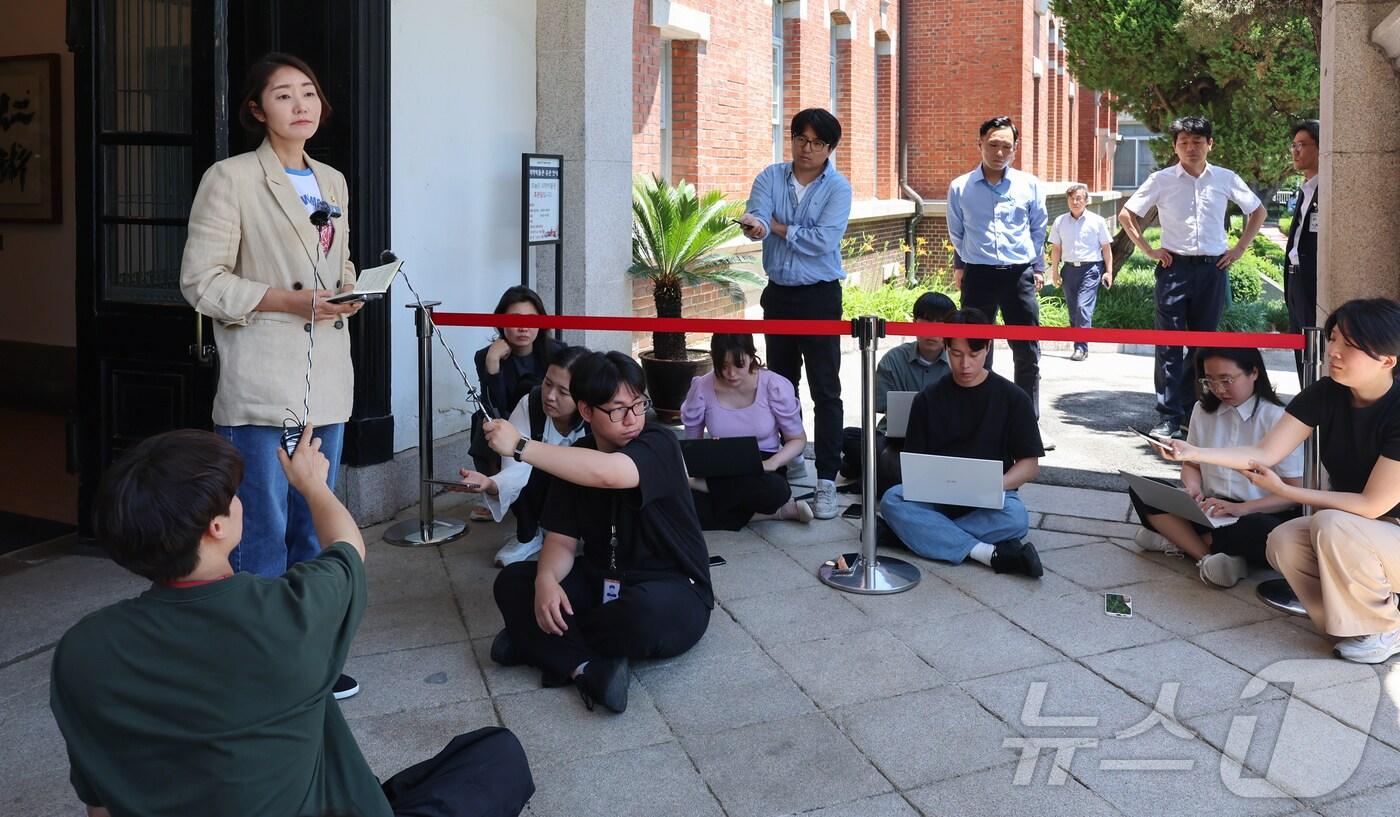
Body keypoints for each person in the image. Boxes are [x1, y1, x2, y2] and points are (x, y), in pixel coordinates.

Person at [49, 429, 535, 817]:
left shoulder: (82, 651)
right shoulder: (289, 612)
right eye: (234, 497)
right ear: (217, 528)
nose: (241, 502)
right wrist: (312, 485)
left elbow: (101, 801)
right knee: (497, 755)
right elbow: (348, 548)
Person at [179, 52, 361, 697]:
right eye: (283, 95)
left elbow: (329, 269)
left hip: (326, 381)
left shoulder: (332, 181)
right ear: (257, 109)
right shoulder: (230, 179)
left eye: (308, 92)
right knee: (261, 529)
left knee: (314, 522)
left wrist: (345, 291)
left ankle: (309, 657)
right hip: (263, 383)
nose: (300, 105)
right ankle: (258, 668)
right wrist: (293, 301)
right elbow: (201, 282)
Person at [1160, 299, 1400, 663]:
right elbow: (1263, 453)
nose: (1332, 351)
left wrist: (1286, 491)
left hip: (1383, 527)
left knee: (1331, 523)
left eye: (1349, 346)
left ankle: (1384, 628)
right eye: (1333, 338)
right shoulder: (1326, 393)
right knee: (1284, 539)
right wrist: (1191, 453)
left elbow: (1373, 505)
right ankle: (1352, 624)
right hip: (1364, 533)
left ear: (1387, 360)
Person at [489, 352, 712, 713]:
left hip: (672, 588)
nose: (632, 419)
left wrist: (520, 447)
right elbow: (561, 540)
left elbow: (611, 473)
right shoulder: (577, 458)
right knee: (514, 583)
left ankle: (538, 642)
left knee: (642, 614)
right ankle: (587, 669)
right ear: (587, 410)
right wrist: (546, 580)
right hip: (601, 581)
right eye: (617, 409)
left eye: (638, 404)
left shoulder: (659, 443)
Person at [1119, 115, 1266, 440]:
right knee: (1169, 346)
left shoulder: (1225, 178)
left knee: (1203, 347)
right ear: (1175, 146)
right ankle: (1168, 417)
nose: (1191, 148)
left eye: (1197, 142)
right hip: (1175, 269)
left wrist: (1240, 247)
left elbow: (1257, 211)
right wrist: (1148, 249)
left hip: (1213, 269)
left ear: (1209, 144)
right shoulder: (1161, 180)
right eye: (1183, 142)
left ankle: (1193, 412)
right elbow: (1127, 214)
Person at [737, 108, 853, 520]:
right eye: (801, 139)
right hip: (779, 294)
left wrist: (780, 227)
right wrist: (757, 226)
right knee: (781, 386)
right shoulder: (771, 176)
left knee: (826, 388)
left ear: (829, 148)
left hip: (821, 296)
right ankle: (790, 459)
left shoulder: (838, 188)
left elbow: (824, 242)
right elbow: (759, 217)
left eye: (817, 143)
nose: (807, 149)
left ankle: (826, 479)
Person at [878, 309, 1046, 577]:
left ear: (987, 348)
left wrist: (995, 484)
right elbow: (915, 465)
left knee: (1016, 517)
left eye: (974, 354)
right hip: (936, 497)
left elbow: (1029, 464)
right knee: (892, 500)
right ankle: (987, 553)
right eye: (956, 354)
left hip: (990, 496)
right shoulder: (928, 398)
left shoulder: (1012, 398)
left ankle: (912, 535)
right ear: (946, 348)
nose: (965, 364)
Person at [1131, 347, 1304, 587]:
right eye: (1210, 380)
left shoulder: (1277, 418)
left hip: (1257, 513)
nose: (1219, 389)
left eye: (1227, 379)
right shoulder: (1202, 410)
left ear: (1254, 373)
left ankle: (1179, 541)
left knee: (1259, 531)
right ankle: (1210, 557)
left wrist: (1242, 508)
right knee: (1144, 491)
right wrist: (1192, 490)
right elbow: (1192, 464)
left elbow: (1294, 494)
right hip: (1213, 509)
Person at [946, 116, 1052, 447]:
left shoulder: (1029, 185)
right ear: (980, 144)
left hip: (1018, 274)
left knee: (1027, 351)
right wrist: (972, 258)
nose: (999, 151)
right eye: (993, 144)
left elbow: (1038, 227)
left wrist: (1031, 261)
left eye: (1006, 146)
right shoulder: (961, 187)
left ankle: (1027, 422)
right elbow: (956, 231)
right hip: (979, 276)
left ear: (1014, 149)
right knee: (976, 351)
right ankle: (979, 418)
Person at [454, 345, 591, 567]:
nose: (550, 396)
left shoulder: (599, 416)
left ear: (585, 397)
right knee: (526, 460)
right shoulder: (531, 404)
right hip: (541, 487)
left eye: (563, 392)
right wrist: (490, 484)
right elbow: (515, 470)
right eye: (547, 383)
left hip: (585, 492)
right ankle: (528, 535)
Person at [682, 334, 812, 529]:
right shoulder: (702, 387)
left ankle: (708, 490)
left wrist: (773, 462)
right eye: (723, 365)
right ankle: (776, 513)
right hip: (720, 464)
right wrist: (694, 468)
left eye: (738, 364)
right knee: (681, 510)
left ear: (752, 357)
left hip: (762, 466)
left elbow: (798, 439)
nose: (730, 373)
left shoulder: (773, 385)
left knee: (776, 491)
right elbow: (692, 445)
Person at [839, 291, 955, 500]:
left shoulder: (958, 361)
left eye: (941, 324)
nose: (933, 332)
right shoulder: (894, 358)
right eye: (926, 322)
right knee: (849, 436)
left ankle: (864, 468)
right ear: (913, 323)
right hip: (895, 439)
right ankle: (870, 467)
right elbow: (878, 403)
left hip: (942, 440)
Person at [468, 286, 564, 522]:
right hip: (507, 418)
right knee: (483, 420)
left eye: (532, 320)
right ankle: (494, 491)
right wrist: (493, 363)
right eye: (514, 320)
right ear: (501, 321)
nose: (523, 328)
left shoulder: (556, 352)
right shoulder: (485, 355)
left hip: (546, 420)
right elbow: (494, 404)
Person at [1049, 184, 1114, 362]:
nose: (1075, 201)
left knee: (1082, 307)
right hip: (1069, 269)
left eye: (1079, 198)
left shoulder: (1097, 221)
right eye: (1072, 198)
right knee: (1073, 311)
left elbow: (1106, 249)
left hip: (1091, 269)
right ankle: (1079, 343)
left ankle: (1081, 348)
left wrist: (1108, 272)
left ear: (1086, 201)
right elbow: (1056, 248)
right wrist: (1054, 272)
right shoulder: (1060, 221)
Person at [1284, 120, 1321, 383]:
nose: (1295, 151)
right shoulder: (1305, 189)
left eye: (1302, 145)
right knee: (1301, 352)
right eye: (1293, 145)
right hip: (1295, 279)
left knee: (1316, 351)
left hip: (1314, 282)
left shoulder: (1328, 188)